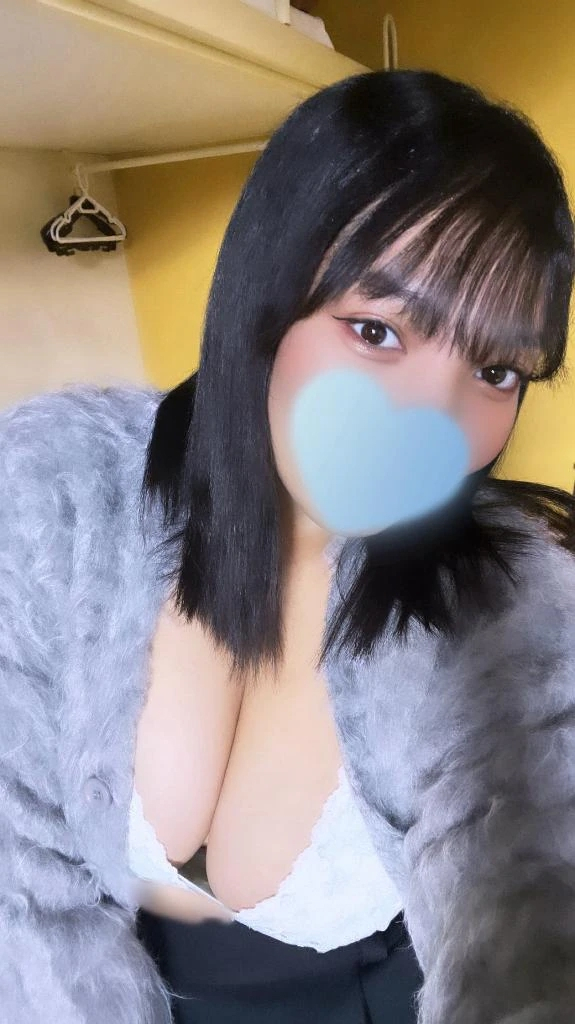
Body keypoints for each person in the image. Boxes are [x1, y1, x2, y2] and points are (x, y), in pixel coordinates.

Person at [2, 68, 575, 1024]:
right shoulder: (54, 499)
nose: (430, 426)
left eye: (494, 371)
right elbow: (17, 888)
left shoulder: (510, 610)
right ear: (262, 299)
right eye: (375, 331)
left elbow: (535, 919)